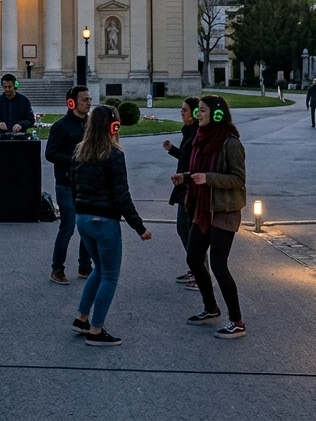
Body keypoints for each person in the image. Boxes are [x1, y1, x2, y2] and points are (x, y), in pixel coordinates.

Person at [70, 104, 152, 346]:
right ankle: (96, 330)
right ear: (113, 126)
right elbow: (121, 196)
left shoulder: (79, 151)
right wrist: (140, 227)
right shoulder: (114, 154)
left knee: (98, 268)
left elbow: (74, 186)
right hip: (105, 221)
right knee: (110, 276)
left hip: (83, 218)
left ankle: (81, 317)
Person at [175, 95, 247, 339]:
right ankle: (211, 307)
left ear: (217, 114)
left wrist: (208, 178)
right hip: (203, 209)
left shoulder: (230, 142)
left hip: (224, 211)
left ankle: (236, 321)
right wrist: (186, 177)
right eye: (198, 111)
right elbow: (199, 170)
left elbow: (238, 179)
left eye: (202, 111)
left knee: (218, 264)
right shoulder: (200, 138)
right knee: (194, 257)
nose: (198, 115)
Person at [45, 85, 93, 284]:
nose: (89, 103)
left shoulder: (91, 125)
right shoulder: (61, 126)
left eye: (90, 99)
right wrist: (75, 160)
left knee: (87, 227)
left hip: (88, 183)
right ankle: (57, 269)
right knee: (68, 227)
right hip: (66, 183)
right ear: (72, 102)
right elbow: (50, 153)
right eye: (85, 100)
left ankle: (85, 266)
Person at [163, 97, 201, 288]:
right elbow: (186, 158)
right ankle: (195, 268)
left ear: (194, 113)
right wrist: (172, 150)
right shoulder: (189, 133)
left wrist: (185, 177)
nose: (181, 112)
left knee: (191, 231)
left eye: (185, 109)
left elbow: (197, 164)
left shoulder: (197, 134)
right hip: (183, 184)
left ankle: (201, 273)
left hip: (190, 187)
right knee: (183, 229)